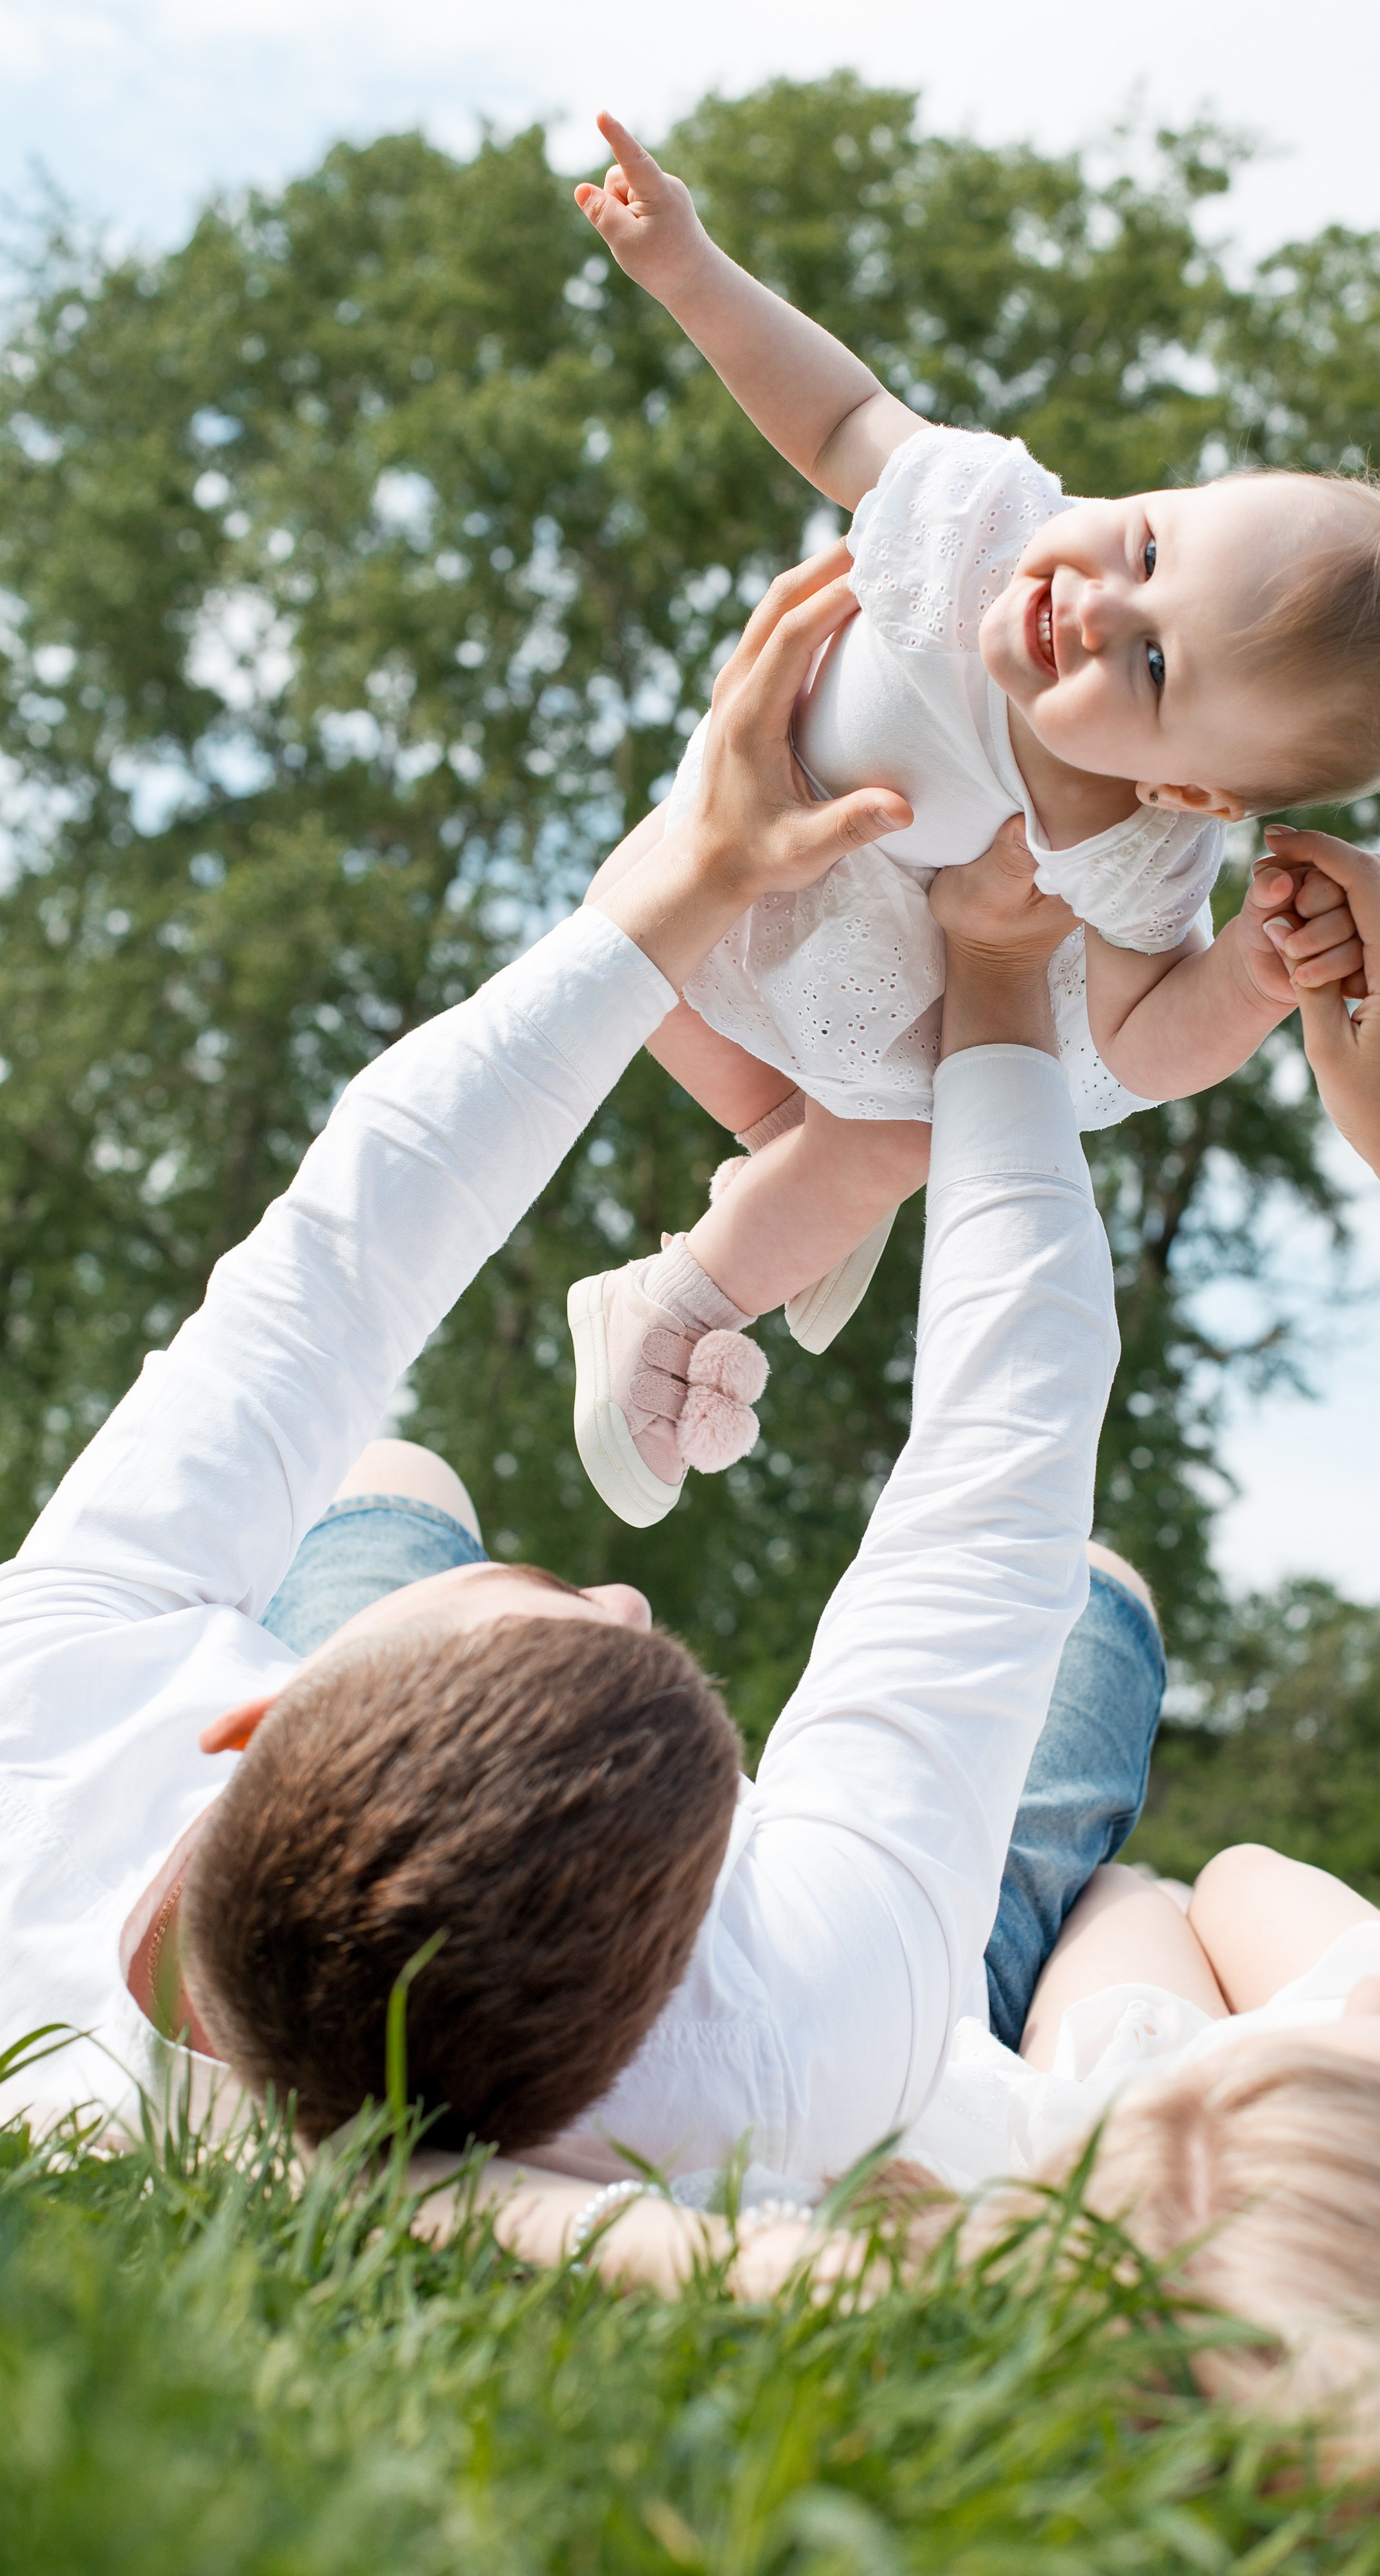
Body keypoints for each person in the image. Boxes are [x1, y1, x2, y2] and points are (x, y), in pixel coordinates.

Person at [428, 827, 1380, 2537]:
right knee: (1085, 1632)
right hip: (993, 1998)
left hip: (829, 1960)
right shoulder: (1210, 2252)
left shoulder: (1081, 2207)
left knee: (422, 1526)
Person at [0, 545, 1159, 2190]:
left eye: (573, 1618)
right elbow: (1004, 1489)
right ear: (694, 1935)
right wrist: (994, 1001)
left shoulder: (36, 1726)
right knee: (1088, 1610)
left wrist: (685, 875)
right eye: (671, 1689)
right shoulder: (803, 2020)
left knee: (386, 1479)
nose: (630, 1604)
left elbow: (332, 1260)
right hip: (879, 1981)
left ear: (255, 1715)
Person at [561, 111, 1380, 1526]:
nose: (1096, 602)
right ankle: (788, 1189)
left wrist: (1252, 977)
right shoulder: (980, 519)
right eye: (1146, 546)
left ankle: (671, 1299)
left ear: (1191, 790)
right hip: (731, 884)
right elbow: (842, 416)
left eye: (1148, 664)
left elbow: (1139, 1041)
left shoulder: (1145, 851)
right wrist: (688, 270)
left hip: (874, 1017)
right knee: (633, 957)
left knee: (888, 1140)